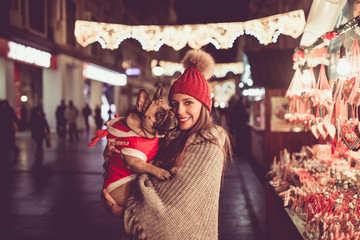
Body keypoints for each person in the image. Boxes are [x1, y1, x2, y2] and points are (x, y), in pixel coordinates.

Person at [102, 49, 232, 239]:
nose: (179, 110)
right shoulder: (170, 137)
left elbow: (171, 215)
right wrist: (113, 159)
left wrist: (124, 210)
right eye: (174, 103)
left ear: (204, 106)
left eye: (188, 103)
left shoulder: (209, 144)